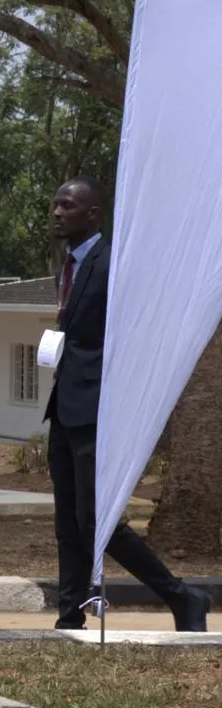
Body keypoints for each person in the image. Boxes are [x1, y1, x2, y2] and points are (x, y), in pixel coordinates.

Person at [44, 177, 210, 632]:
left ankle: (182, 595)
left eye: (67, 205)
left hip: (99, 408)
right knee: (67, 522)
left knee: (97, 520)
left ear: (93, 213)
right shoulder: (68, 267)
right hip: (64, 406)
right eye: (55, 205)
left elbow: (134, 332)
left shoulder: (111, 263)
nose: (57, 212)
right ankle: (69, 615)